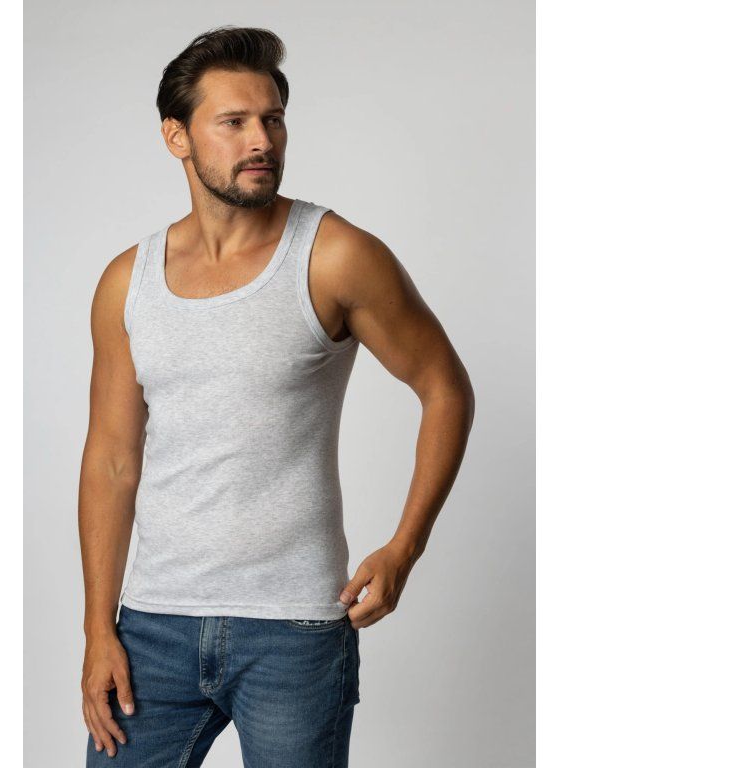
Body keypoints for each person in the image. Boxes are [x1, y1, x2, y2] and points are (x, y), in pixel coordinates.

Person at [78, 25, 475, 767]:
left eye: (272, 119)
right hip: (152, 629)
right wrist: (99, 628)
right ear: (177, 136)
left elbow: (444, 387)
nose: (261, 139)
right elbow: (111, 460)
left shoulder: (334, 256)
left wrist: (405, 547)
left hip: (294, 632)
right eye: (233, 122)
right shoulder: (126, 283)